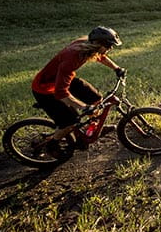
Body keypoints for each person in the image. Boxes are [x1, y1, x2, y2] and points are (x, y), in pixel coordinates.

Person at [31, 26, 126, 157]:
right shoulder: (72, 58)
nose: (111, 48)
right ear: (98, 43)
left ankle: (90, 129)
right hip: (45, 89)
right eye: (109, 45)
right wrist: (83, 107)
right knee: (69, 122)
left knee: (95, 98)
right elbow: (61, 93)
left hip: (62, 80)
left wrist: (117, 68)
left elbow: (100, 56)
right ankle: (52, 145)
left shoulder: (88, 45)